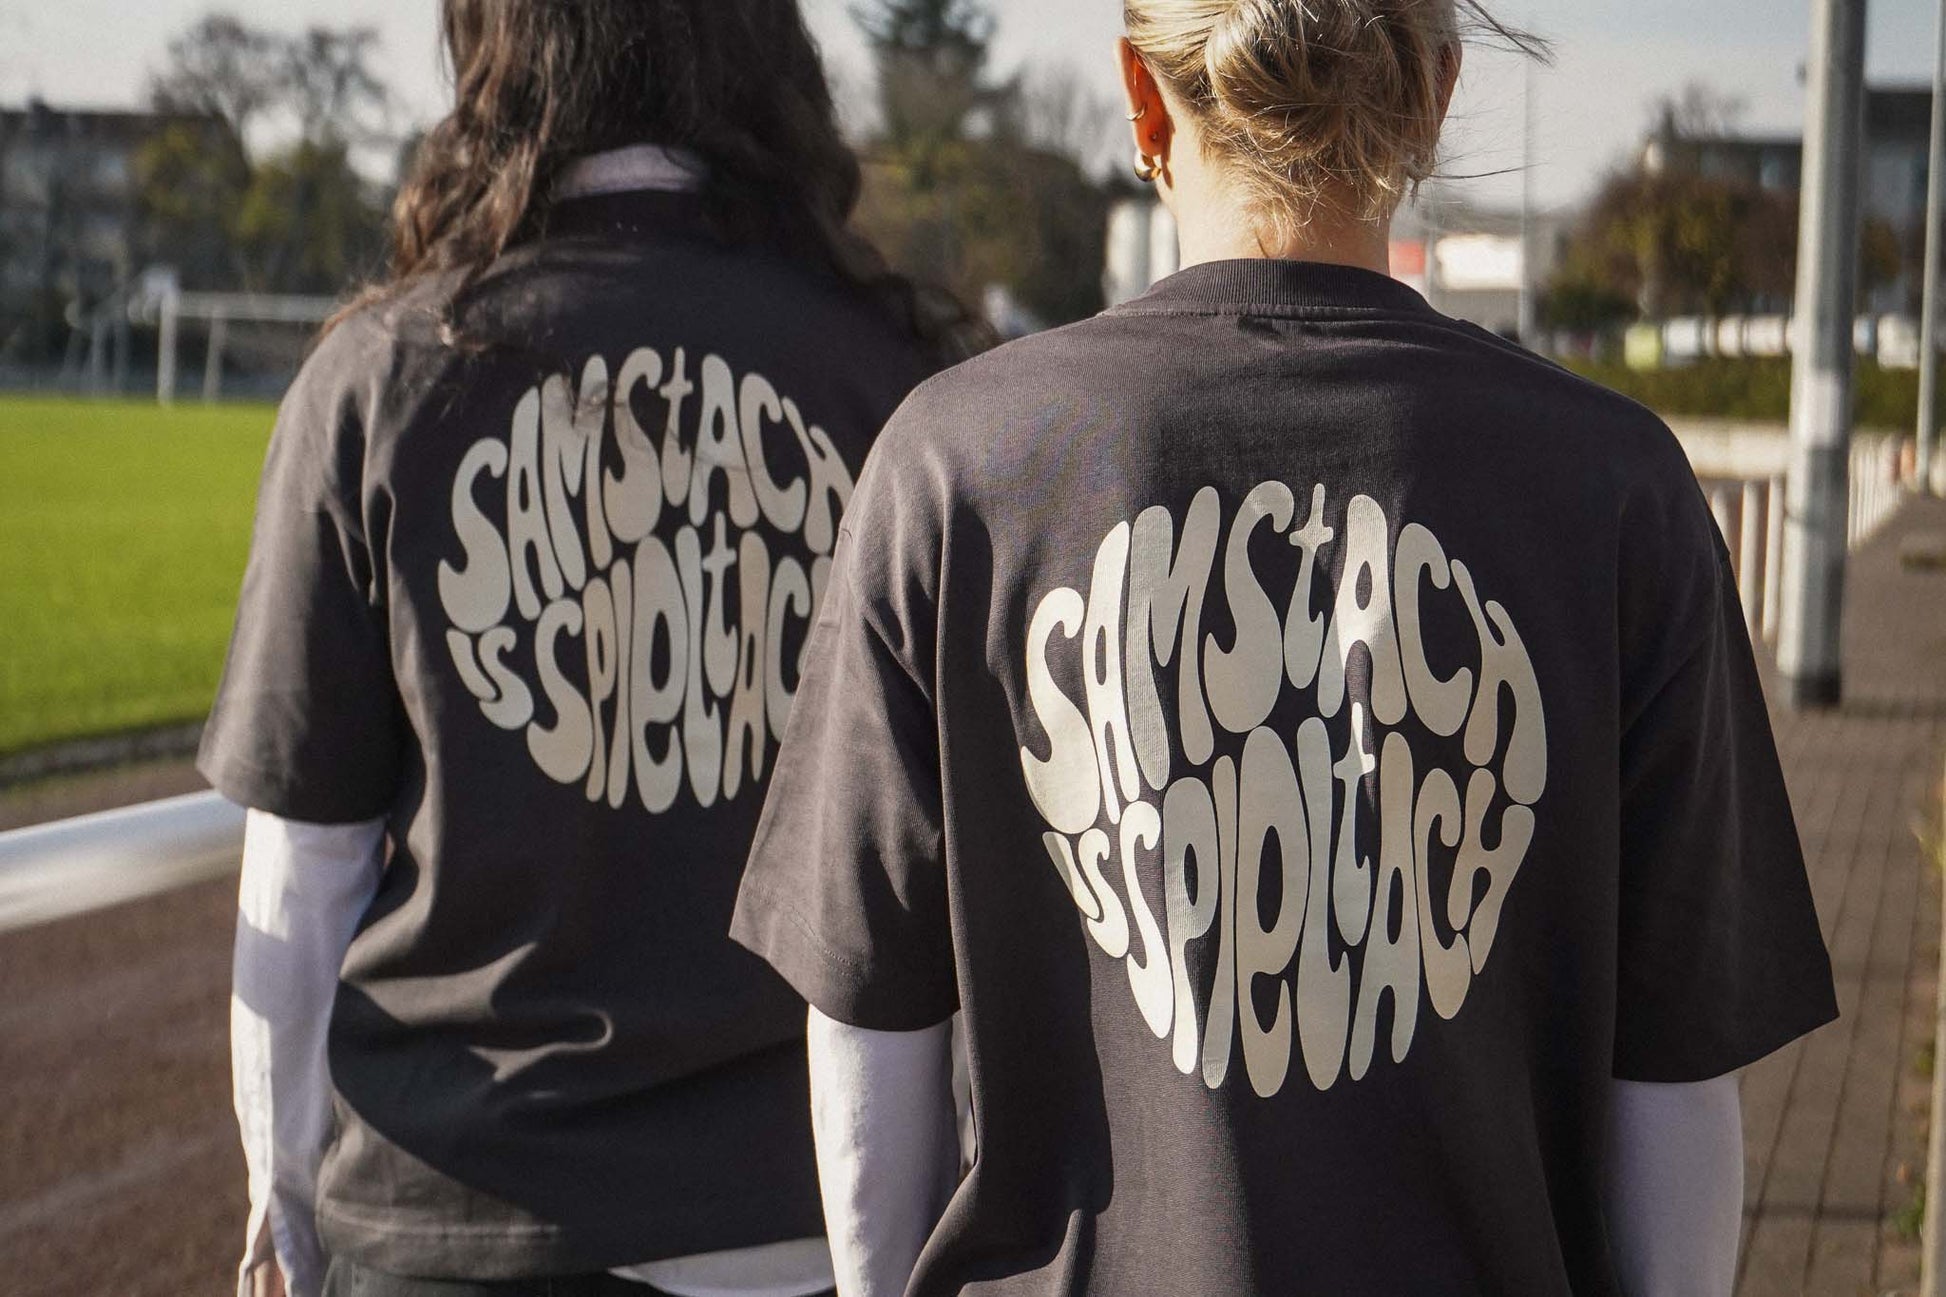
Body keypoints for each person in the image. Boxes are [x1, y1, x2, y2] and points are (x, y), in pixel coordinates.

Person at [730, 1, 1839, 1293]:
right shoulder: (1616, 488)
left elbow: (870, 1028)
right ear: (1433, 96)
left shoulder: (955, 467)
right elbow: (1676, 1082)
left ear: (1142, 103)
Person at [203, 3, 976, 1295]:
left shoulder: (381, 375)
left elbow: (303, 871)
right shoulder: (897, 380)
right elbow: (948, 866)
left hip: (450, 1209)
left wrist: (282, 1194)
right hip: (795, 1215)